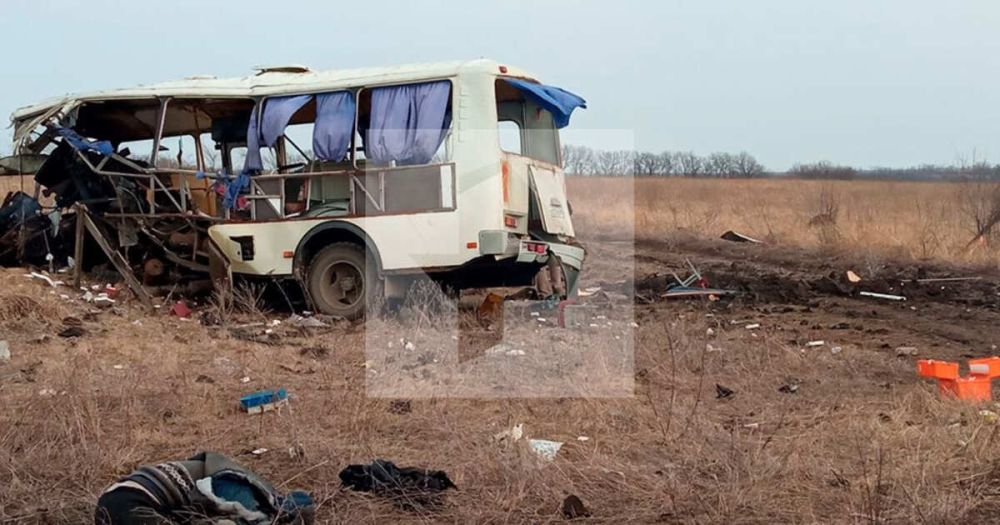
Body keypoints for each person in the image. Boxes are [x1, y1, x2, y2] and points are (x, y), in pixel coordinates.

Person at [94, 451, 314, 525]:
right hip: (136, 495)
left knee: (264, 516)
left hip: (210, 477)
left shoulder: (131, 517)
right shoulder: (111, 512)